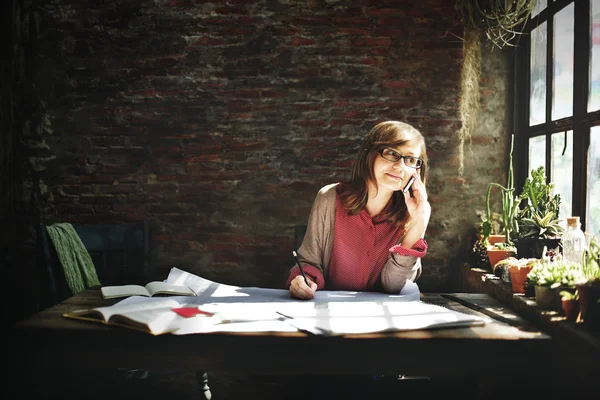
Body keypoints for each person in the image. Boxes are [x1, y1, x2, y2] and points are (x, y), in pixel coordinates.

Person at [286, 120, 430, 299]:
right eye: (392, 153)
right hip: (325, 312)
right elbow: (309, 263)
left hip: (380, 320)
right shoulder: (329, 198)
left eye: (410, 159)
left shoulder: (411, 214)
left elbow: (395, 286)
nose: (400, 166)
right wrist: (303, 279)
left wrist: (419, 222)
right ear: (370, 154)